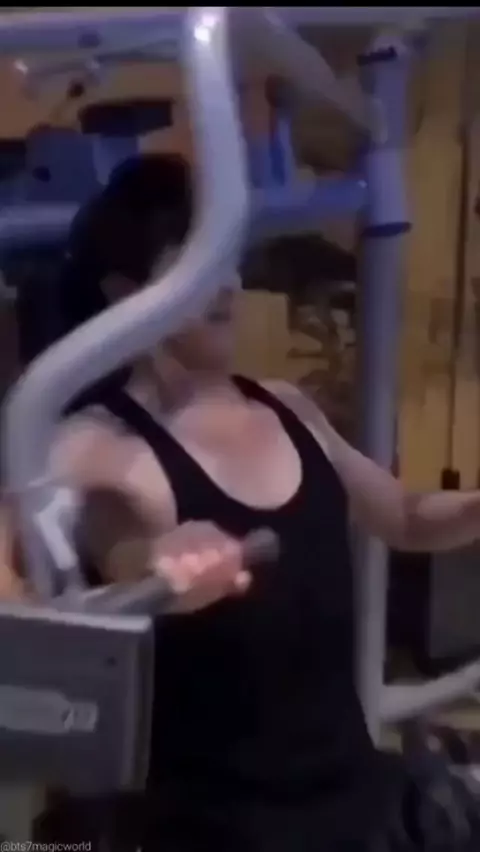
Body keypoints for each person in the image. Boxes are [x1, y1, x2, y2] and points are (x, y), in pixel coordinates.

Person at [3, 153, 480, 851]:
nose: (225, 285)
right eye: (191, 266)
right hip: (222, 829)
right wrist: (141, 576)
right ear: (125, 293)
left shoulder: (287, 405)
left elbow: (405, 519)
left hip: (354, 799)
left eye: (226, 261)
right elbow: (28, 582)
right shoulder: (89, 443)